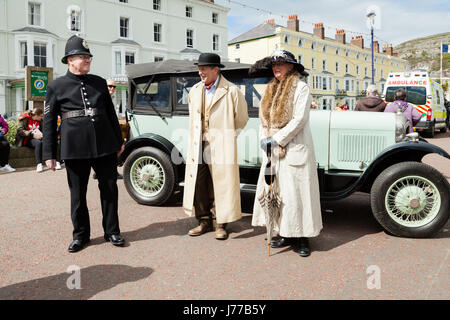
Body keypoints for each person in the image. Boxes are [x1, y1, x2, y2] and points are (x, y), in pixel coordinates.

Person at [43, 35, 126, 253]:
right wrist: (49, 153)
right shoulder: (55, 86)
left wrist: (119, 140)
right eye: (82, 56)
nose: (87, 60)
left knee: (109, 188)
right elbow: (49, 122)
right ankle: (81, 235)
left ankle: (112, 231)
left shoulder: (99, 82)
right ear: (70, 59)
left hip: (105, 144)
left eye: (88, 56)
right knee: (78, 194)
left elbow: (110, 113)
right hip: (75, 147)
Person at [250, 50, 323, 257]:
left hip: (293, 149)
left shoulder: (301, 88)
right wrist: (263, 139)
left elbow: (299, 119)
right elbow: (262, 119)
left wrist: (277, 139)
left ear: (291, 66)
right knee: (277, 194)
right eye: (274, 65)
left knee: (297, 195)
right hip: (272, 152)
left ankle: (302, 238)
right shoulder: (270, 90)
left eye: (281, 64)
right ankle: (284, 233)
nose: (277, 67)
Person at [183, 53, 249, 240]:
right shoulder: (195, 90)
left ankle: (221, 224)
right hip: (198, 144)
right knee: (199, 183)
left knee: (222, 184)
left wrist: (226, 136)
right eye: (199, 68)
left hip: (221, 144)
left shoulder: (232, 90)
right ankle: (204, 221)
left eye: (204, 68)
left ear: (216, 69)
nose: (200, 72)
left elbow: (241, 118)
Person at [93, 79, 123, 180]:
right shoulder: (100, 97)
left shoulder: (112, 98)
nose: (112, 88)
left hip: (109, 128)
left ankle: (111, 172)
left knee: (111, 151)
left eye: (114, 87)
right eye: (110, 86)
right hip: (102, 128)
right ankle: (99, 172)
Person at [16, 108, 61, 172]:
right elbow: (20, 131)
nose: (42, 117)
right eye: (41, 116)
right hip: (27, 139)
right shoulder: (24, 119)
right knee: (38, 143)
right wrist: (32, 135)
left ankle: (57, 161)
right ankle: (39, 164)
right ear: (36, 115)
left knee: (52, 141)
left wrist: (44, 135)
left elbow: (45, 130)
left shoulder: (40, 121)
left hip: (39, 137)